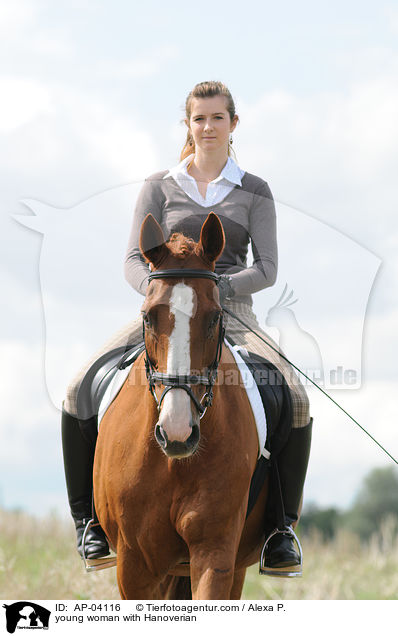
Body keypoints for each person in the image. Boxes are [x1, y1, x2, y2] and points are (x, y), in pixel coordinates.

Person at [61, 80, 312, 572]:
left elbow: (268, 268)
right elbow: (134, 259)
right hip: (164, 315)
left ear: (233, 124)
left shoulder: (254, 191)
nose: (208, 127)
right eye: (199, 118)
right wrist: (161, 294)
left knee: (296, 397)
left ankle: (280, 529)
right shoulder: (159, 185)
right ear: (188, 125)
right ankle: (89, 522)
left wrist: (217, 291)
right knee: (76, 391)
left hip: (230, 316)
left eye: (218, 118)